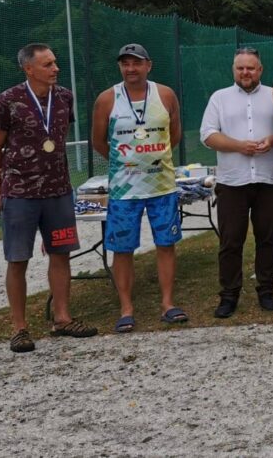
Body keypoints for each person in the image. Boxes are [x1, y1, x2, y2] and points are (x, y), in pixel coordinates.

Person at [0, 43, 97, 353]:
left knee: (61, 254)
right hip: (20, 194)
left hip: (58, 191)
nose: (55, 68)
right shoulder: (8, 100)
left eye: (55, 63)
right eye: (48, 64)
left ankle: (62, 318)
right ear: (29, 69)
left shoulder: (64, 97)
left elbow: (55, 138)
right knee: (17, 259)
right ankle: (19, 329)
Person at [92, 43, 185, 333]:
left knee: (166, 244)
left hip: (161, 186)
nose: (131, 69)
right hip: (124, 190)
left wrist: (153, 160)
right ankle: (126, 309)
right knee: (122, 249)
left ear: (148, 65)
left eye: (136, 63)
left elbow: (175, 134)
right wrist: (124, 163)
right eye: (125, 63)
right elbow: (98, 141)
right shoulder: (107, 99)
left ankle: (167, 304)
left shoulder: (165, 95)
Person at [200, 48, 273, 318]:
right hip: (232, 182)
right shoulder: (219, 98)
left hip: (268, 179)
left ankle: (266, 291)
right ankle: (229, 295)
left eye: (250, 68)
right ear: (233, 70)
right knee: (230, 241)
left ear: (260, 70)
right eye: (240, 68)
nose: (245, 73)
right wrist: (239, 146)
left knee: (267, 238)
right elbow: (208, 135)